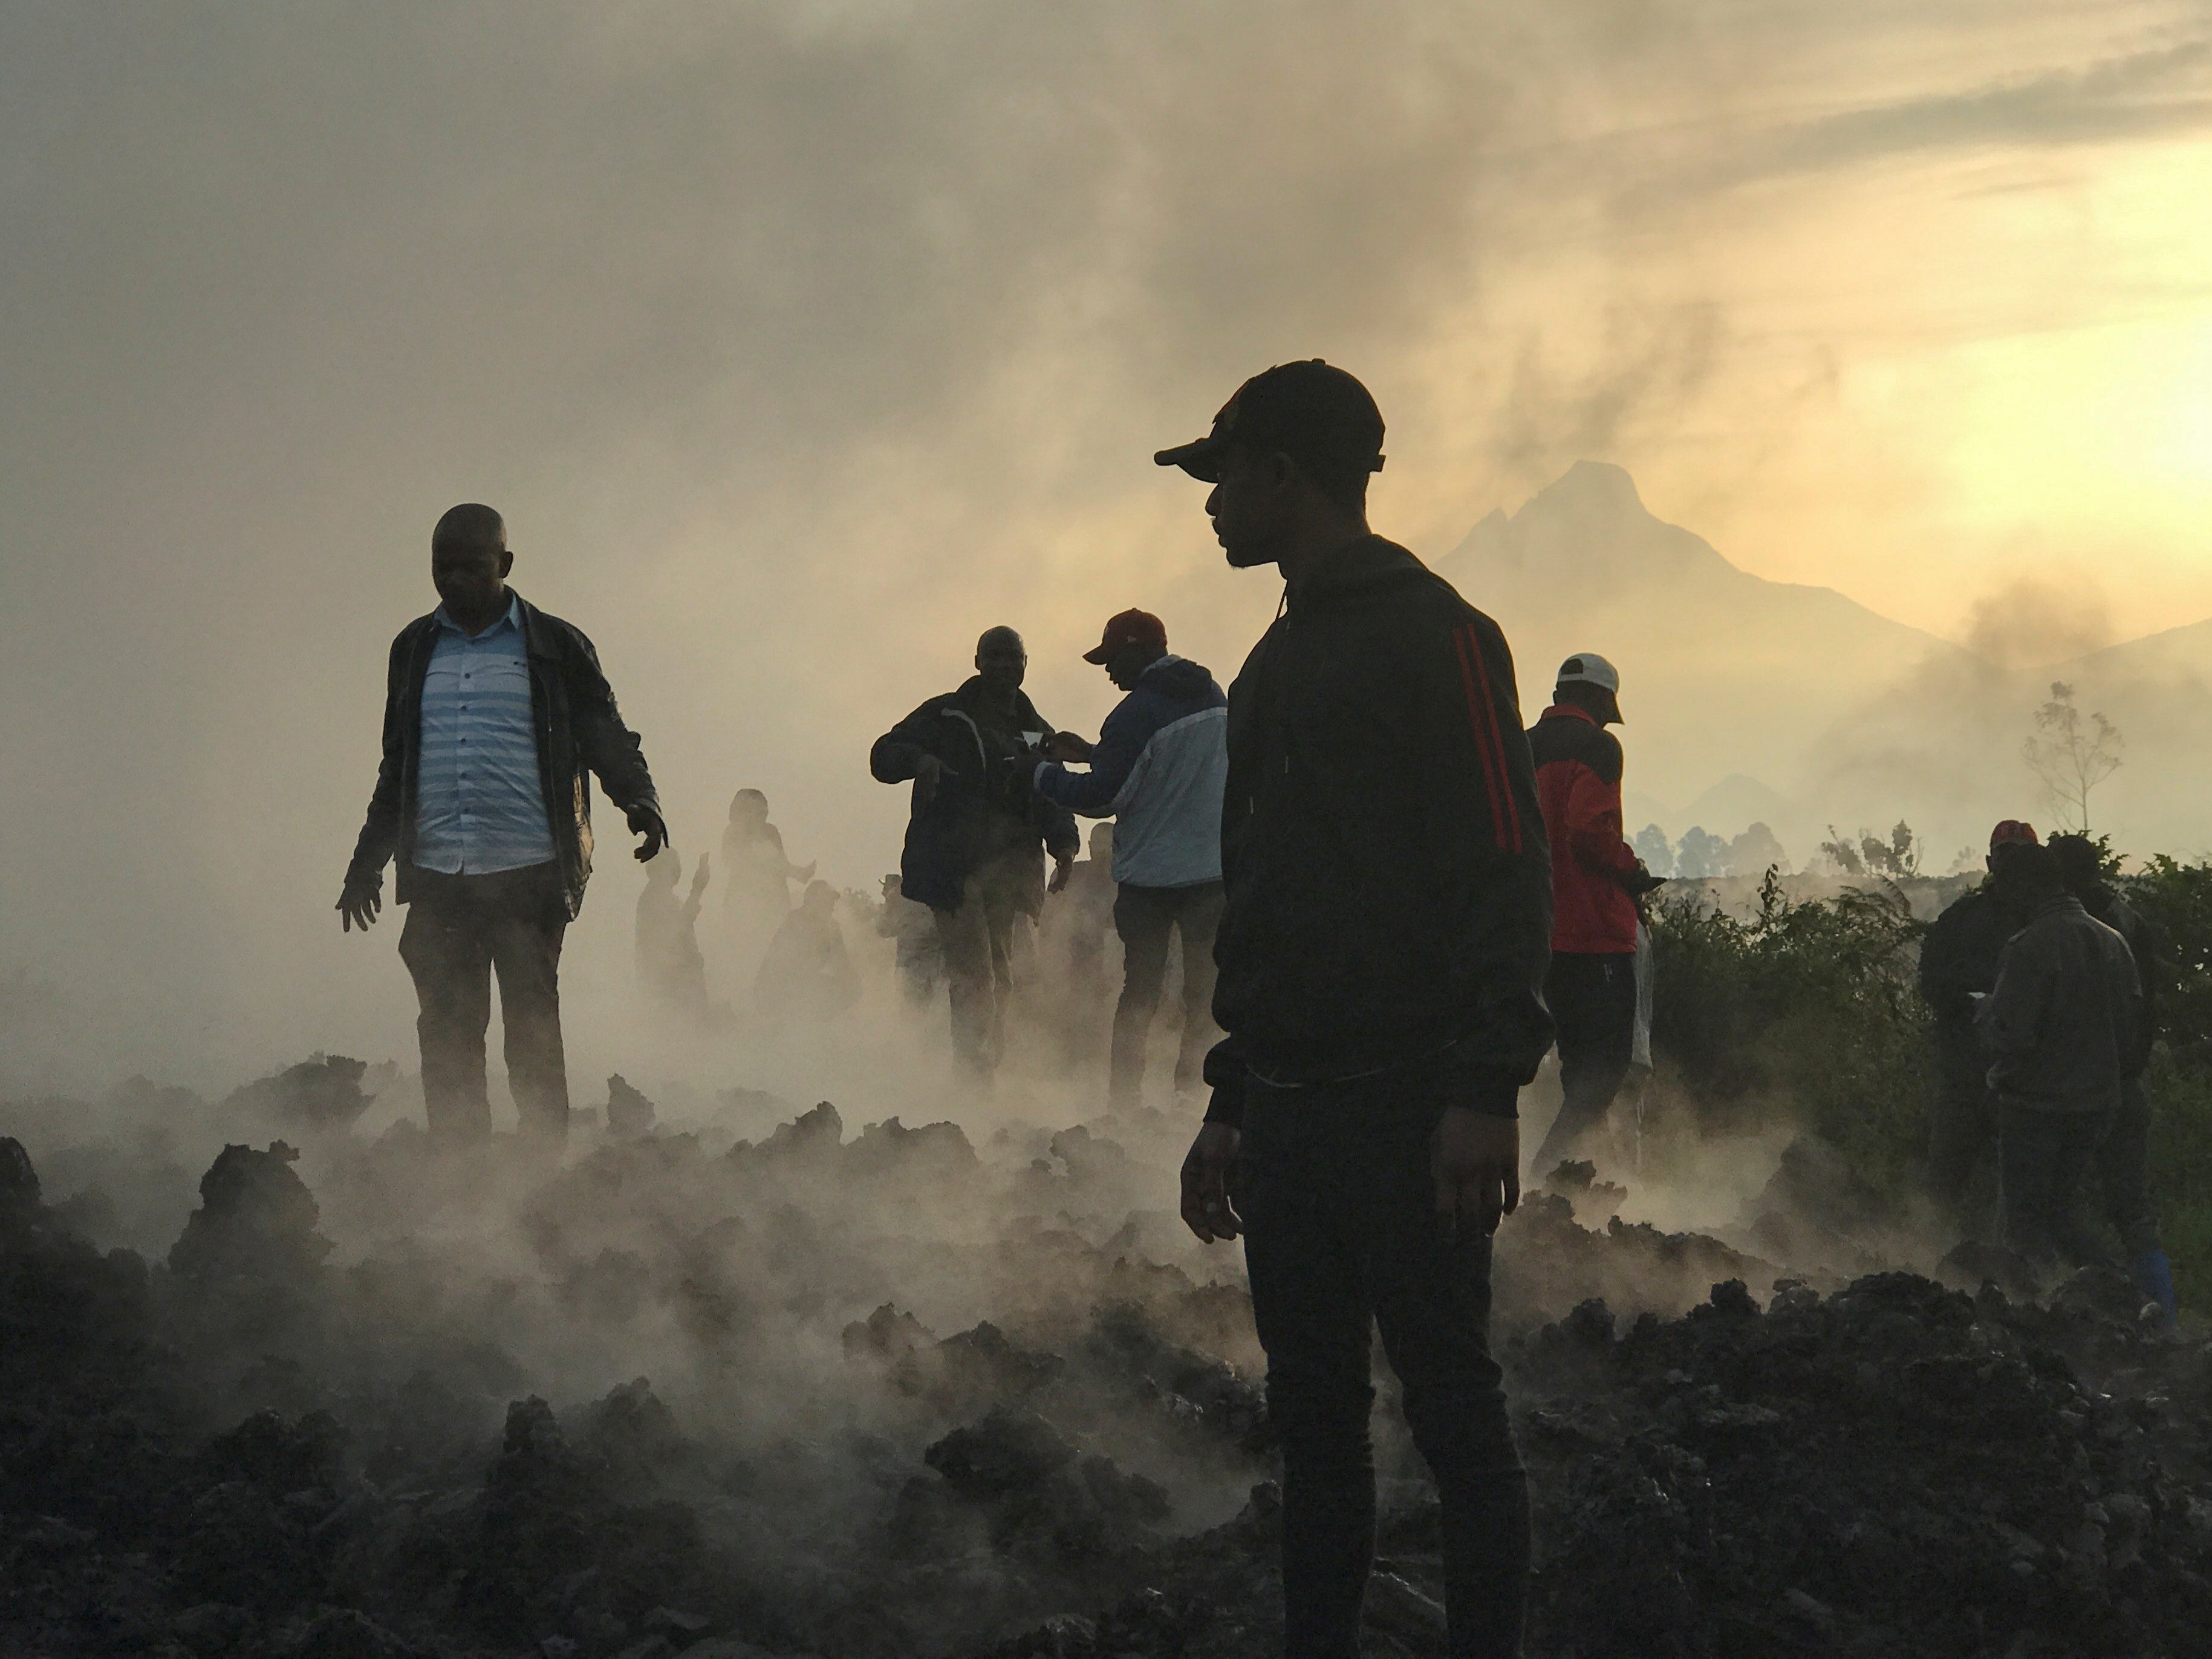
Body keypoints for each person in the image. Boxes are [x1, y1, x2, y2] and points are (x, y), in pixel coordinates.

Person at [1163, 360, 1552, 1659]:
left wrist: (1484, 1087)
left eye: (1220, 476)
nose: (1209, 503)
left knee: (1453, 1418)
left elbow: (1504, 865)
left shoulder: (1435, 634)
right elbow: (1271, 902)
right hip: (1286, 1115)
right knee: (1315, 1425)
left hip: (1406, 1112)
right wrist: (1230, 1097)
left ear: (1282, 473)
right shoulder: (1270, 661)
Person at [339, 503, 666, 1148]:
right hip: (439, 876)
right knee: (448, 1032)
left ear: (505, 565)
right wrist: (365, 864)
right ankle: (462, 1175)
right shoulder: (413, 648)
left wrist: (640, 799)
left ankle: (541, 1172)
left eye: (472, 566)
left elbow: (605, 734)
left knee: (532, 1030)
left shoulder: (555, 645)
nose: (454, 579)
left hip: (529, 874)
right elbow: (398, 766)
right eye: (443, 567)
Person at [1036, 608, 1229, 1110]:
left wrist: (1043, 776)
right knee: (1203, 994)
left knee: (1139, 992)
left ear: (1136, 651)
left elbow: (1104, 798)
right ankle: (1194, 1101)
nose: (1107, 670)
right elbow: (1163, 769)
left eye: (1111, 658)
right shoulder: (1214, 696)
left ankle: (1124, 1104)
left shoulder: (1134, 713)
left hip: (1150, 879)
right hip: (1211, 873)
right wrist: (1097, 753)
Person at [870, 628, 1079, 1079]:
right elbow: (883, 754)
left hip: (1009, 872)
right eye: (996, 656)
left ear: (1026, 664)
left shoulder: (1036, 731)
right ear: (978, 661)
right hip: (953, 868)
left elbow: (1052, 795)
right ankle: (971, 1078)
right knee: (974, 978)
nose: (1005, 665)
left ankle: (982, 1074)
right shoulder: (946, 715)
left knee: (1002, 980)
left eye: (1014, 657)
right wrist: (920, 762)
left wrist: (1065, 845)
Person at [1976, 841, 2145, 1273]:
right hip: (2096, 1104)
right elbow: (2132, 1031)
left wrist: (1985, 1012)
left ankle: (2032, 1310)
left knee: (2027, 1223)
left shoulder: (2030, 946)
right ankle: (2118, 1299)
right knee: (2064, 1214)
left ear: (2023, 887)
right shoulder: (2114, 943)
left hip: (2036, 1106)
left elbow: (2012, 1033)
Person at [1524, 655, 1664, 1175]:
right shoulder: (1599, 748)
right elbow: (1588, 831)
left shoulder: (1524, 745)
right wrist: (1631, 871)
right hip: (1594, 937)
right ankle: (1545, 1177)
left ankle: (1572, 1192)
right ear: (1602, 700)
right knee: (1603, 1075)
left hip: (1538, 935)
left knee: (1574, 1072)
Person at [2050, 833, 2176, 1323]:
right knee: (2133, 1211)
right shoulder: (2128, 921)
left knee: (2048, 1206)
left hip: (2075, 1090)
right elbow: (2146, 1011)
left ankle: (2115, 1295)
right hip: (2125, 1082)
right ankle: (2161, 1318)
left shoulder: (2064, 926)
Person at [1918, 821, 2043, 1224]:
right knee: (1942, 1190)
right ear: (1991, 862)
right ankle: (1925, 1269)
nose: (2011, 866)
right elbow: (1932, 983)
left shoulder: (2049, 923)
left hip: (2029, 1084)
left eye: (2021, 857)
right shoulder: (1960, 920)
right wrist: (1974, 1000)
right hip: (1966, 1079)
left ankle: (2021, 1276)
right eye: (2005, 856)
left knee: (2025, 1198)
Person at [720, 789, 813, 980]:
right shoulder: (733, 832)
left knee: (773, 955)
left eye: (764, 810)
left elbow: (781, 863)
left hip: (774, 903)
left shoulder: (771, 832)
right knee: (744, 956)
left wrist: (798, 873)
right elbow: (731, 860)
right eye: (756, 809)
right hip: (744, 904)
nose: (762, 814)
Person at [754, 880, 862, 1022]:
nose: (832, 907)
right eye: (827, 902)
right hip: (782, 986)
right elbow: (777, 963)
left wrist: (852, 979)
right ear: (813, 902)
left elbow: (843, 964)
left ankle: (818, 1023)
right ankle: (795, 1022)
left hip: (807, 985)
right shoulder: (795, 922)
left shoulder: (832, 927)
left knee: (851, 985)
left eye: (831, 903)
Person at [635, 851, 714, 1024]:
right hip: (672, 981)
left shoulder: (658, 896)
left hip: (673, 977)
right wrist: (698, 888)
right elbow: (678, 929)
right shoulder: (655, 898)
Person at [876, 872, 945, 1009]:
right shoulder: (933, 891)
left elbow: (882, 929)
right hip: (936, 963)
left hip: (909, 964)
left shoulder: (896, 897)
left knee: (911, 1012)